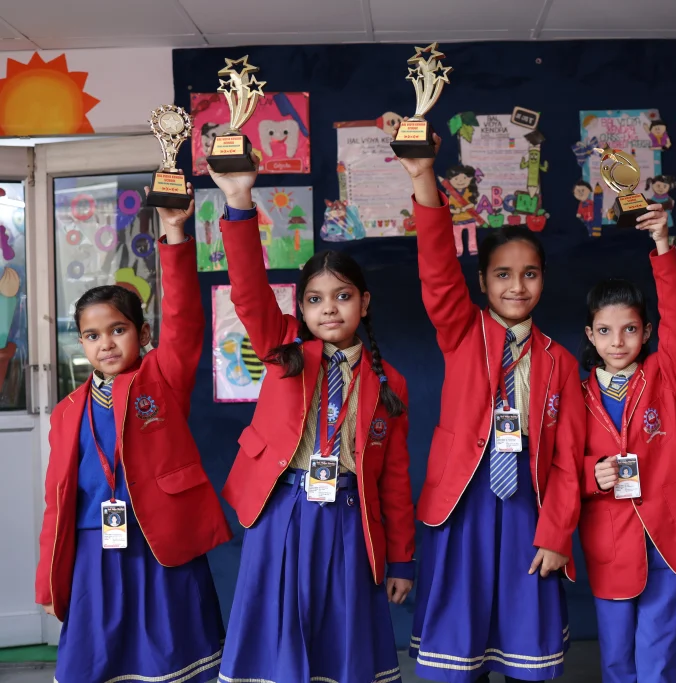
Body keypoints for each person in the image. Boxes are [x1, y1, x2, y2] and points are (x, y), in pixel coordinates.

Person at [210, 159, 415, 682]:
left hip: (349, 517)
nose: (330, 309)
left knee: (341, 642)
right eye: (315, 300)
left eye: (343, 297)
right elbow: (248, 292)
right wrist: (238, 201)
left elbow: (394, 479)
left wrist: (401, 561)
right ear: (300, 309)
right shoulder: (284, 352)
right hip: (282, 510)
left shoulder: (389, 382)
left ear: (364, 303)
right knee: (278, 637)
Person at [399, 131, 585, 683]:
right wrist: (423, 179)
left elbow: (568, 458)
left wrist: (557, 533)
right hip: (463, 499)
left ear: (544, 279)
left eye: (530, 274)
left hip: (528, 503)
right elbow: (437, 269)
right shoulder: (462, 330)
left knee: (527, 650)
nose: (516, 286)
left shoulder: (560, 360)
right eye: (503, 274)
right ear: (482, 281)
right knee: (462, 654)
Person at [36, 180, 231, 683]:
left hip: (161, 541)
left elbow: (184, 319)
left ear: (142, 334)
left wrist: (174, 233)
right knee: (97, 659)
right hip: (94, 550)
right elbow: (57, 499)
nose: (106, 343)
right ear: (81, 343)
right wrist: (48, 578)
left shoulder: (161, 378)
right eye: (92, 335)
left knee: (172, 657)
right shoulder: (67, 411)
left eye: (118, 330)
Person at [578, 203, 676, 683]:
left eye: (630, 329)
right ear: (590, 335)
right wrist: (590, 474)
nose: (618, 341)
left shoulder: (664, 375)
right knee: (617, 655)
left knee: (658, 652)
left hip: (666, 535)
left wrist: (662, 244)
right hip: (611, 539)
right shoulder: (575, 396)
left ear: (647, 332)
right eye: (605, 331)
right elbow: (558, 466)